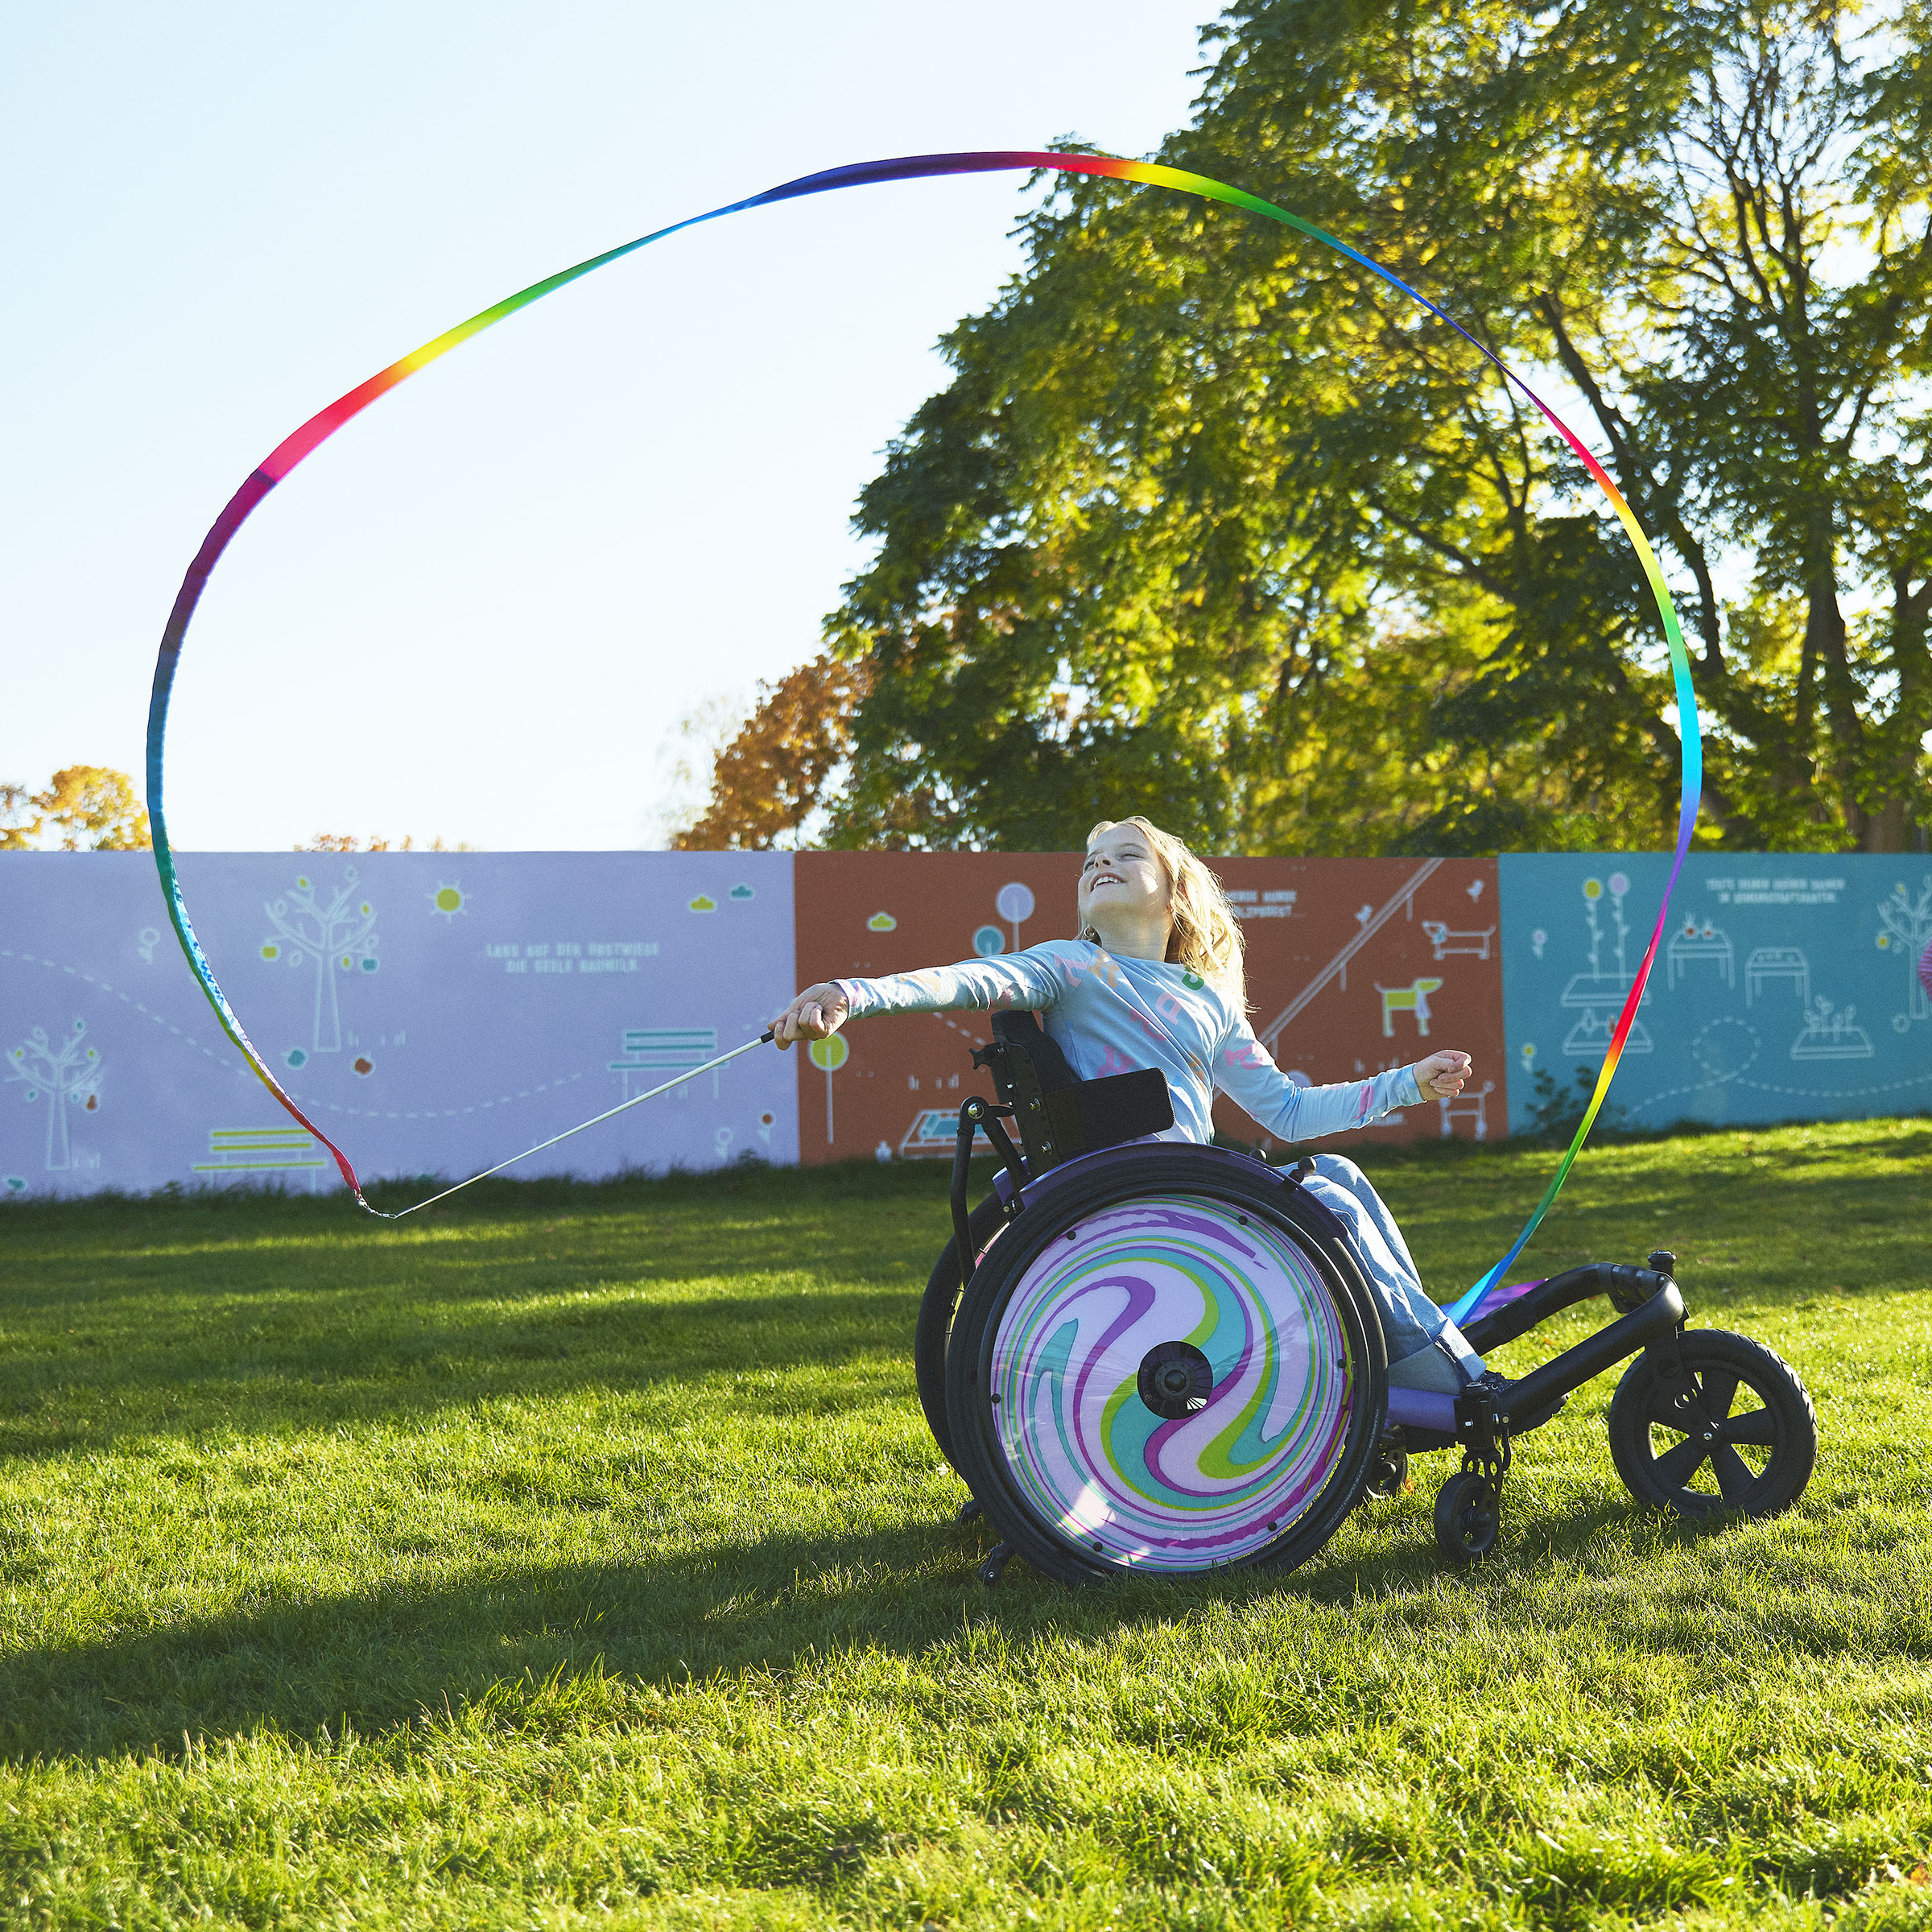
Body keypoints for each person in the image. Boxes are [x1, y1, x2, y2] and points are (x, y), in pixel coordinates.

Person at [773, 815, 1486, 1393]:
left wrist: (1409, 1084)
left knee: (1340, 1177)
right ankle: (1442, 1368)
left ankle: (1413, 1343)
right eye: (1090, 860)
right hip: (1144, 1198)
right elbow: (965, 980)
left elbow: (1289, 1115)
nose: (1098, 864)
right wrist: (851, 993)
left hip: (1191, 1188)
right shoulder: (1070, 966)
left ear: (1175, 896)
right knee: (1332, 1209)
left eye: (1124, 855)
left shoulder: (1206, 1000)